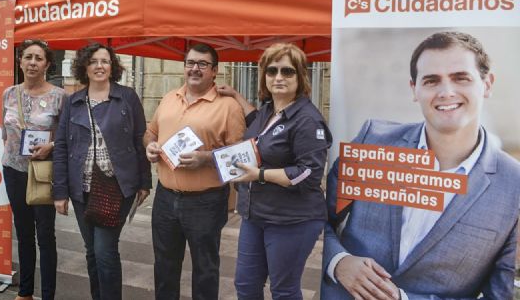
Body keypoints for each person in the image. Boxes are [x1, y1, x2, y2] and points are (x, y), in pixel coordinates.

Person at [322, 31, 520, 300]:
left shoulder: (513, 184)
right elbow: (315, 216)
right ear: (414, 89)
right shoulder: (373, 141)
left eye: (461, 78)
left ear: (487, 84)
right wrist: (338, 261)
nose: (446, 92)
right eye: (431, 80)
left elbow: (501, 294)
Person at [218, 43, 332, 299]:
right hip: (255, 215)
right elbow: (257, 125)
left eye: (287, 71)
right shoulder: (268, 110)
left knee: (283, 291)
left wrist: (259, 174)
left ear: (301, 76)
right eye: (272, 71)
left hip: (292, 220)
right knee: (246, 287)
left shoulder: (307, 119)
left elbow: (310, 174)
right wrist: (235, 95)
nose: (278, 77)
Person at [144, 43, 246, 300]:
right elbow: (150, 132)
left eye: (202, 64)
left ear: (215, 71)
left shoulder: (229, 106)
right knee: (164, 267)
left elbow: (239, 158)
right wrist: (150, 147)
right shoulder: (169, 98)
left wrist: (206, 158)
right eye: (191, 63)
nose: (195, 69)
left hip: (206, 202)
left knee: (205, 270)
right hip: (165, 197)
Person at [53, 43, 151, 300]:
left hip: (116, 187)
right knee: (91, 251)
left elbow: (140, 139)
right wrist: (59, 192)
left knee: (105, 250)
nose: (99, 66)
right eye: (94, 61)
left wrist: (144, 182)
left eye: (105, 61)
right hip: (81, 188)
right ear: (84, 66)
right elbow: (62, 147)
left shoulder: (127, 97)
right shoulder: (72, 101)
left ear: (112, 66)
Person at [1, 39, 66, 300]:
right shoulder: (8, 93)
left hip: (42, 173)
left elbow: (66, 136)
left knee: (45, 236)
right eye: (28, 57)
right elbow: (4, 131)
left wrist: (50, 146)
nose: (32, 63)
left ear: (47, 64)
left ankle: (48, 295)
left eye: (39, 58)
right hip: (14, 171)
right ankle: (25, 292)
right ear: (20, 62)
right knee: (23, 232)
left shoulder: (59, 96)